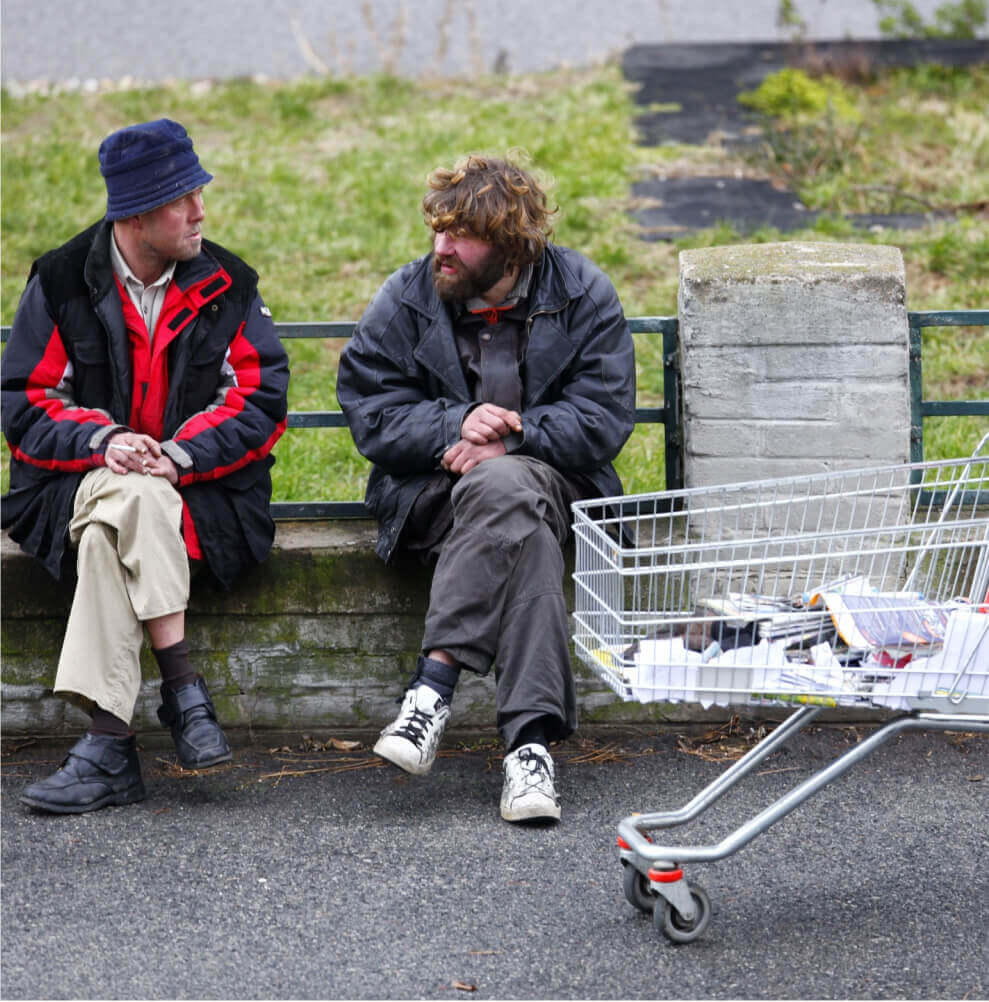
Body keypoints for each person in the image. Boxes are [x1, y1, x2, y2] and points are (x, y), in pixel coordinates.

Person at [1, 119, 290, 814]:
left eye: (198, 194)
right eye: (181, 199)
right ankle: (183, 690)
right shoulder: (62, 280)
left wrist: (177, 456)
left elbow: (259, 399)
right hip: (74, 485)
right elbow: (26, 401)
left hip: (205, 497)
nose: (200, 211)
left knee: (116, 528)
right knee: (127, 494)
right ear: (134, 215)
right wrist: (104, 442)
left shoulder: (228, 282)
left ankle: (110, 745)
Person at [336, 153, 635, 824]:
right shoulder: (408, 296)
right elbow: (370, 411)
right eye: (438, 230)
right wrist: (454, 422)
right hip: (434, 496)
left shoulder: (581, 292)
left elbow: (603, 418)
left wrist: (515, 436)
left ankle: (432, 688)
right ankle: (529, 750)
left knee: (508, 486)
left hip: (557, 485)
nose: (441, 248)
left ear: (509, 245)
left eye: (461, 235)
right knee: (523, 534)